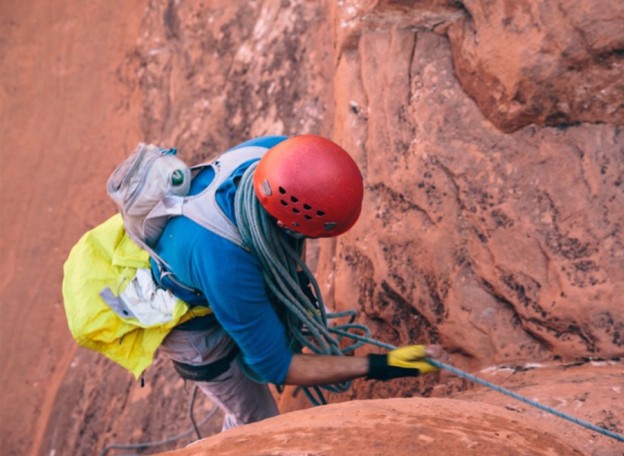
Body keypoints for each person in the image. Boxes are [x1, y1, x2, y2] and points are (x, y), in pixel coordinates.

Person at [150, 134, 437, 430]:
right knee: (257, 424)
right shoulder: (227, 264)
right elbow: (277, 366)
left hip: (215, 271)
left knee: (272, 316)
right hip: (196, 329)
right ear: (287, 224)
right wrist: (383, 366)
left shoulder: (278, 154)